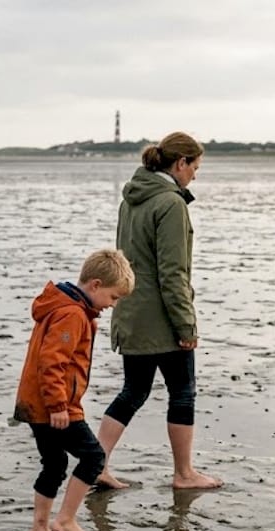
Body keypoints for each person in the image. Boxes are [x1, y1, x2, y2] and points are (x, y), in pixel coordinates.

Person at [96, 132, 224, 491]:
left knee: (133, 391)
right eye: (195, 167)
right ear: (179, 164)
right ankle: (184, 474)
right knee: (183, 391)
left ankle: (97, 464)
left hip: (130, 312)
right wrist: (186, 325)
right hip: (161, 318)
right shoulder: (170, 203)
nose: (195, 175)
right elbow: (173, 272)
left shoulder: (131, 198)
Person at [14, 249, 134, 531]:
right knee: (94, 458)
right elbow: (52, 362)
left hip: (37, 403)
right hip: (54, 406)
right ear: (94, 285)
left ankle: (40, 530)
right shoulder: (72, 314)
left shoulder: (67, 307)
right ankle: (65, 520)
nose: (112, 305)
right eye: (113, 297)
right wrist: (58, 405)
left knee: (54, 464)